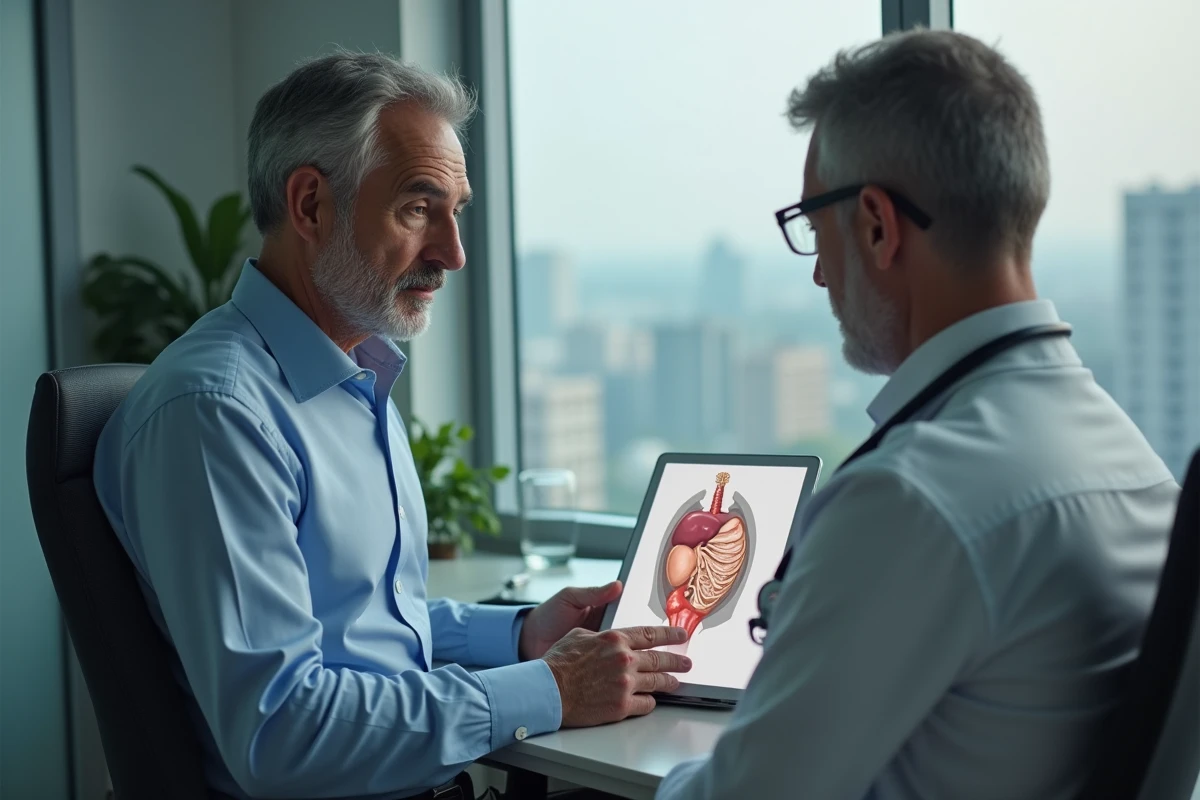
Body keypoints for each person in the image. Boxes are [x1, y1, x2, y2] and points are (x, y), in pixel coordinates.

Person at [93, 52, 690, 800]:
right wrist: (548, 690)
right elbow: (281, 731)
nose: (453, 254)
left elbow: (366, 628)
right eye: (418, 208)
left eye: (456, 211)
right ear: (310, 206)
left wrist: (519, 636)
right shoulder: (219, 413)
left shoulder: (355, 377)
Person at [656, 29, 1180, 800]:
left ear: (875, 224)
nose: (820, 277)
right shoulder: (1133, 464)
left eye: (814, 228)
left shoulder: (910, 500)